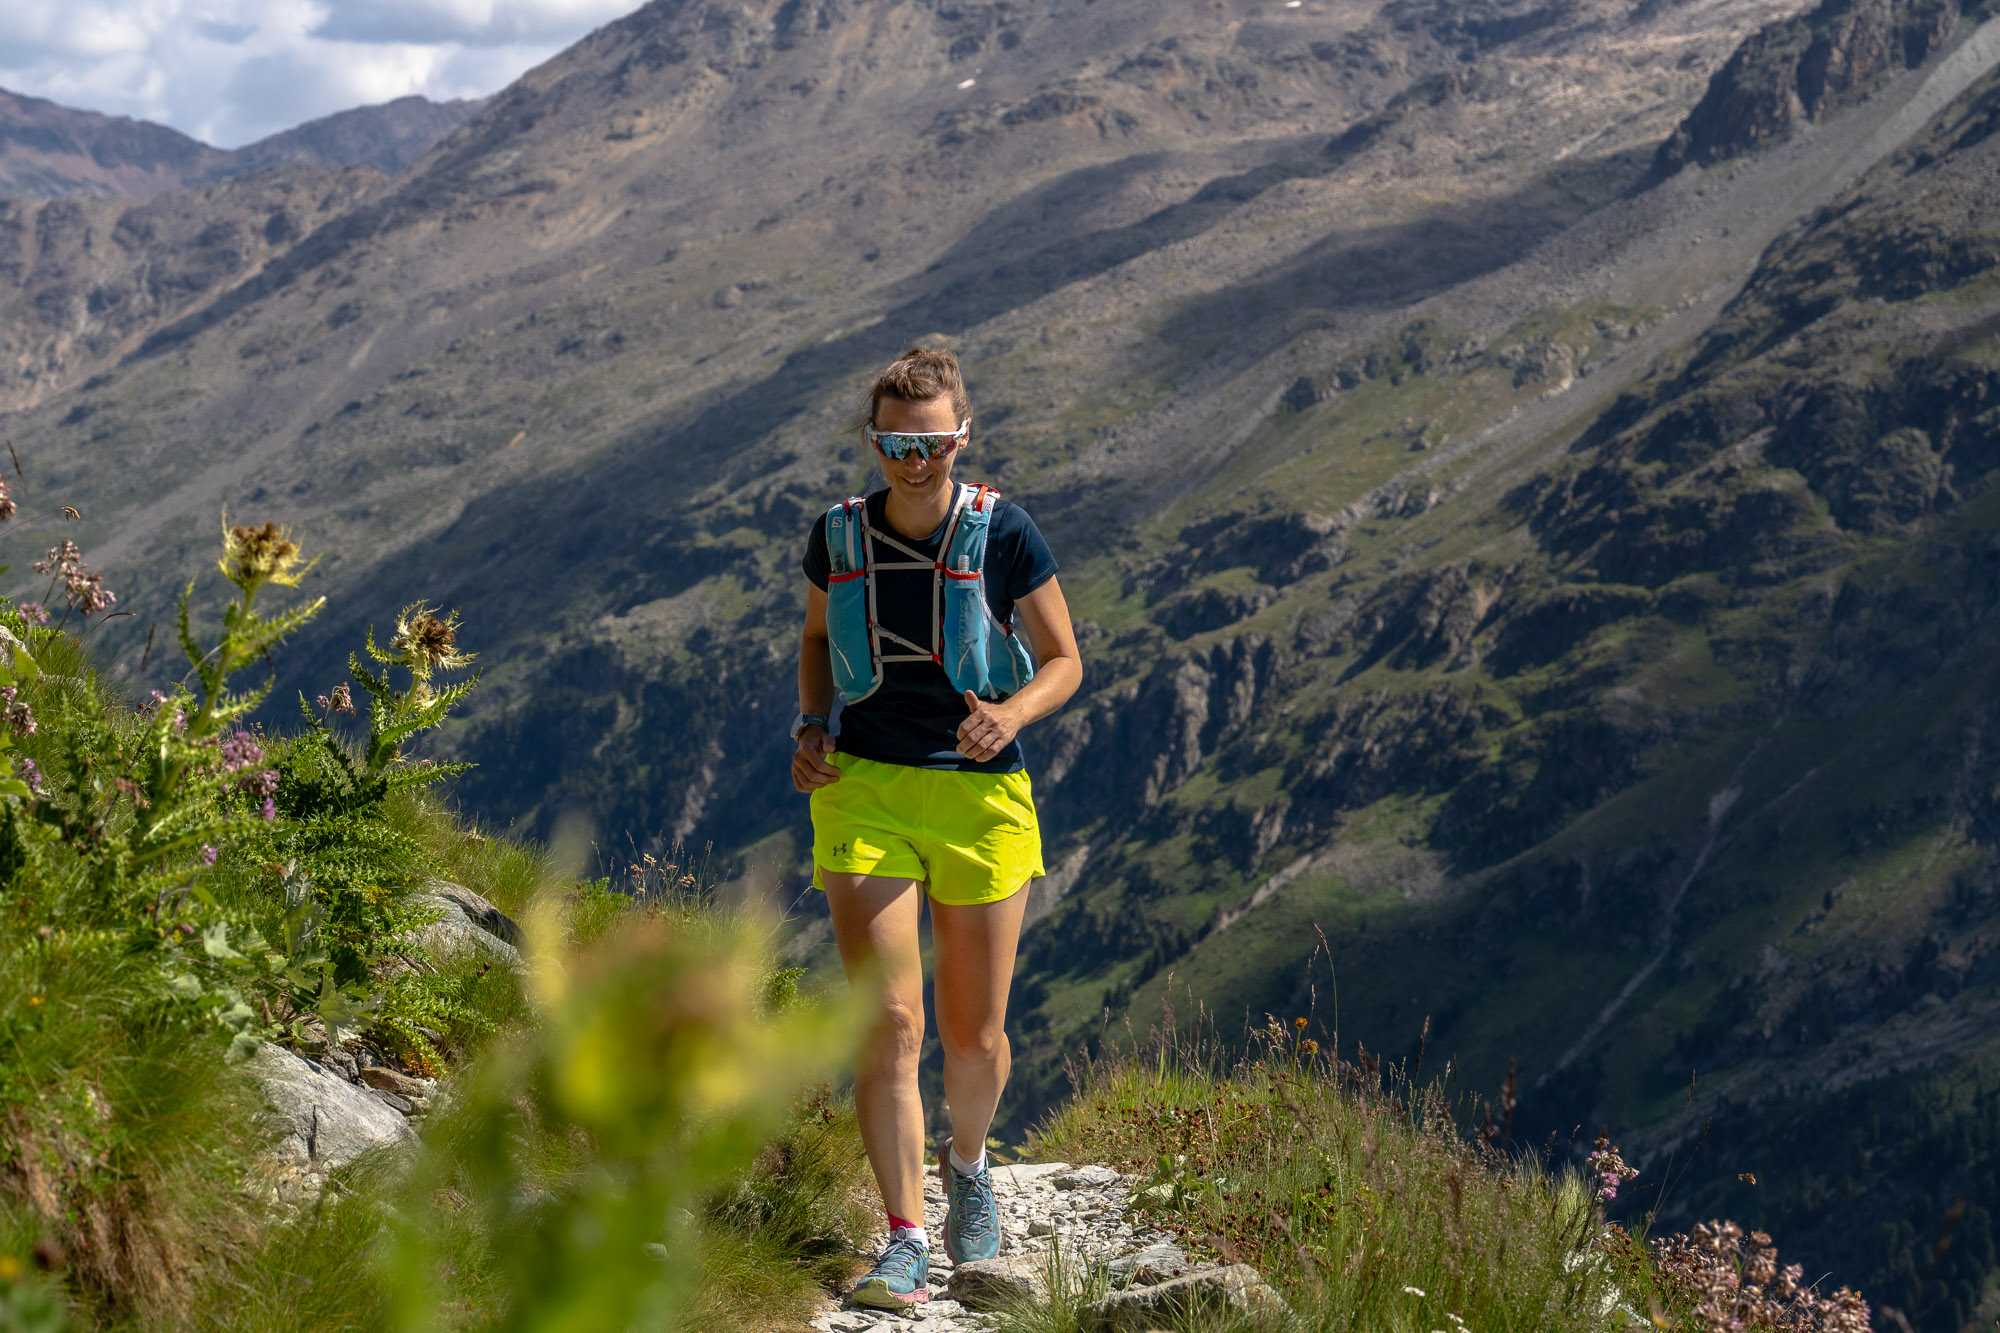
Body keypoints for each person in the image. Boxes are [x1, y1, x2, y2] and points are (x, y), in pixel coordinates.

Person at [793, 346, 1082, 1310]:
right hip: (864, 786)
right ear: (875, 442)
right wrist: (808, 725)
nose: (913, 460)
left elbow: (1063, 659)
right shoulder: (836, 537)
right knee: (890, 1022)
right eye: (895, 444)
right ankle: (905, 1236)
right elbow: (811, 642)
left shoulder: (1006, 533)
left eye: (931, 443)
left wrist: (1014, 713)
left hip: (980, 791)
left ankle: (967, 1162)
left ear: (962, 436)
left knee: (974, 1031)